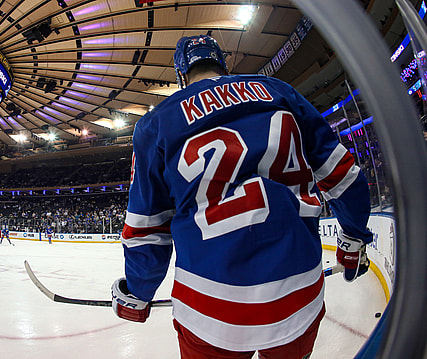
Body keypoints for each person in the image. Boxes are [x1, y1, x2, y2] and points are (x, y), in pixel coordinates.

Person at [111, 35, 373, 359]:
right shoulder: (279, 91)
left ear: (181, 76)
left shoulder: (155, 124)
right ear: (223, 63)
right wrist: (353, 239)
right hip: (299, 292)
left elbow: (147, 229)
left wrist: (137, 292)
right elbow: (344, 177)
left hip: (210, 307)